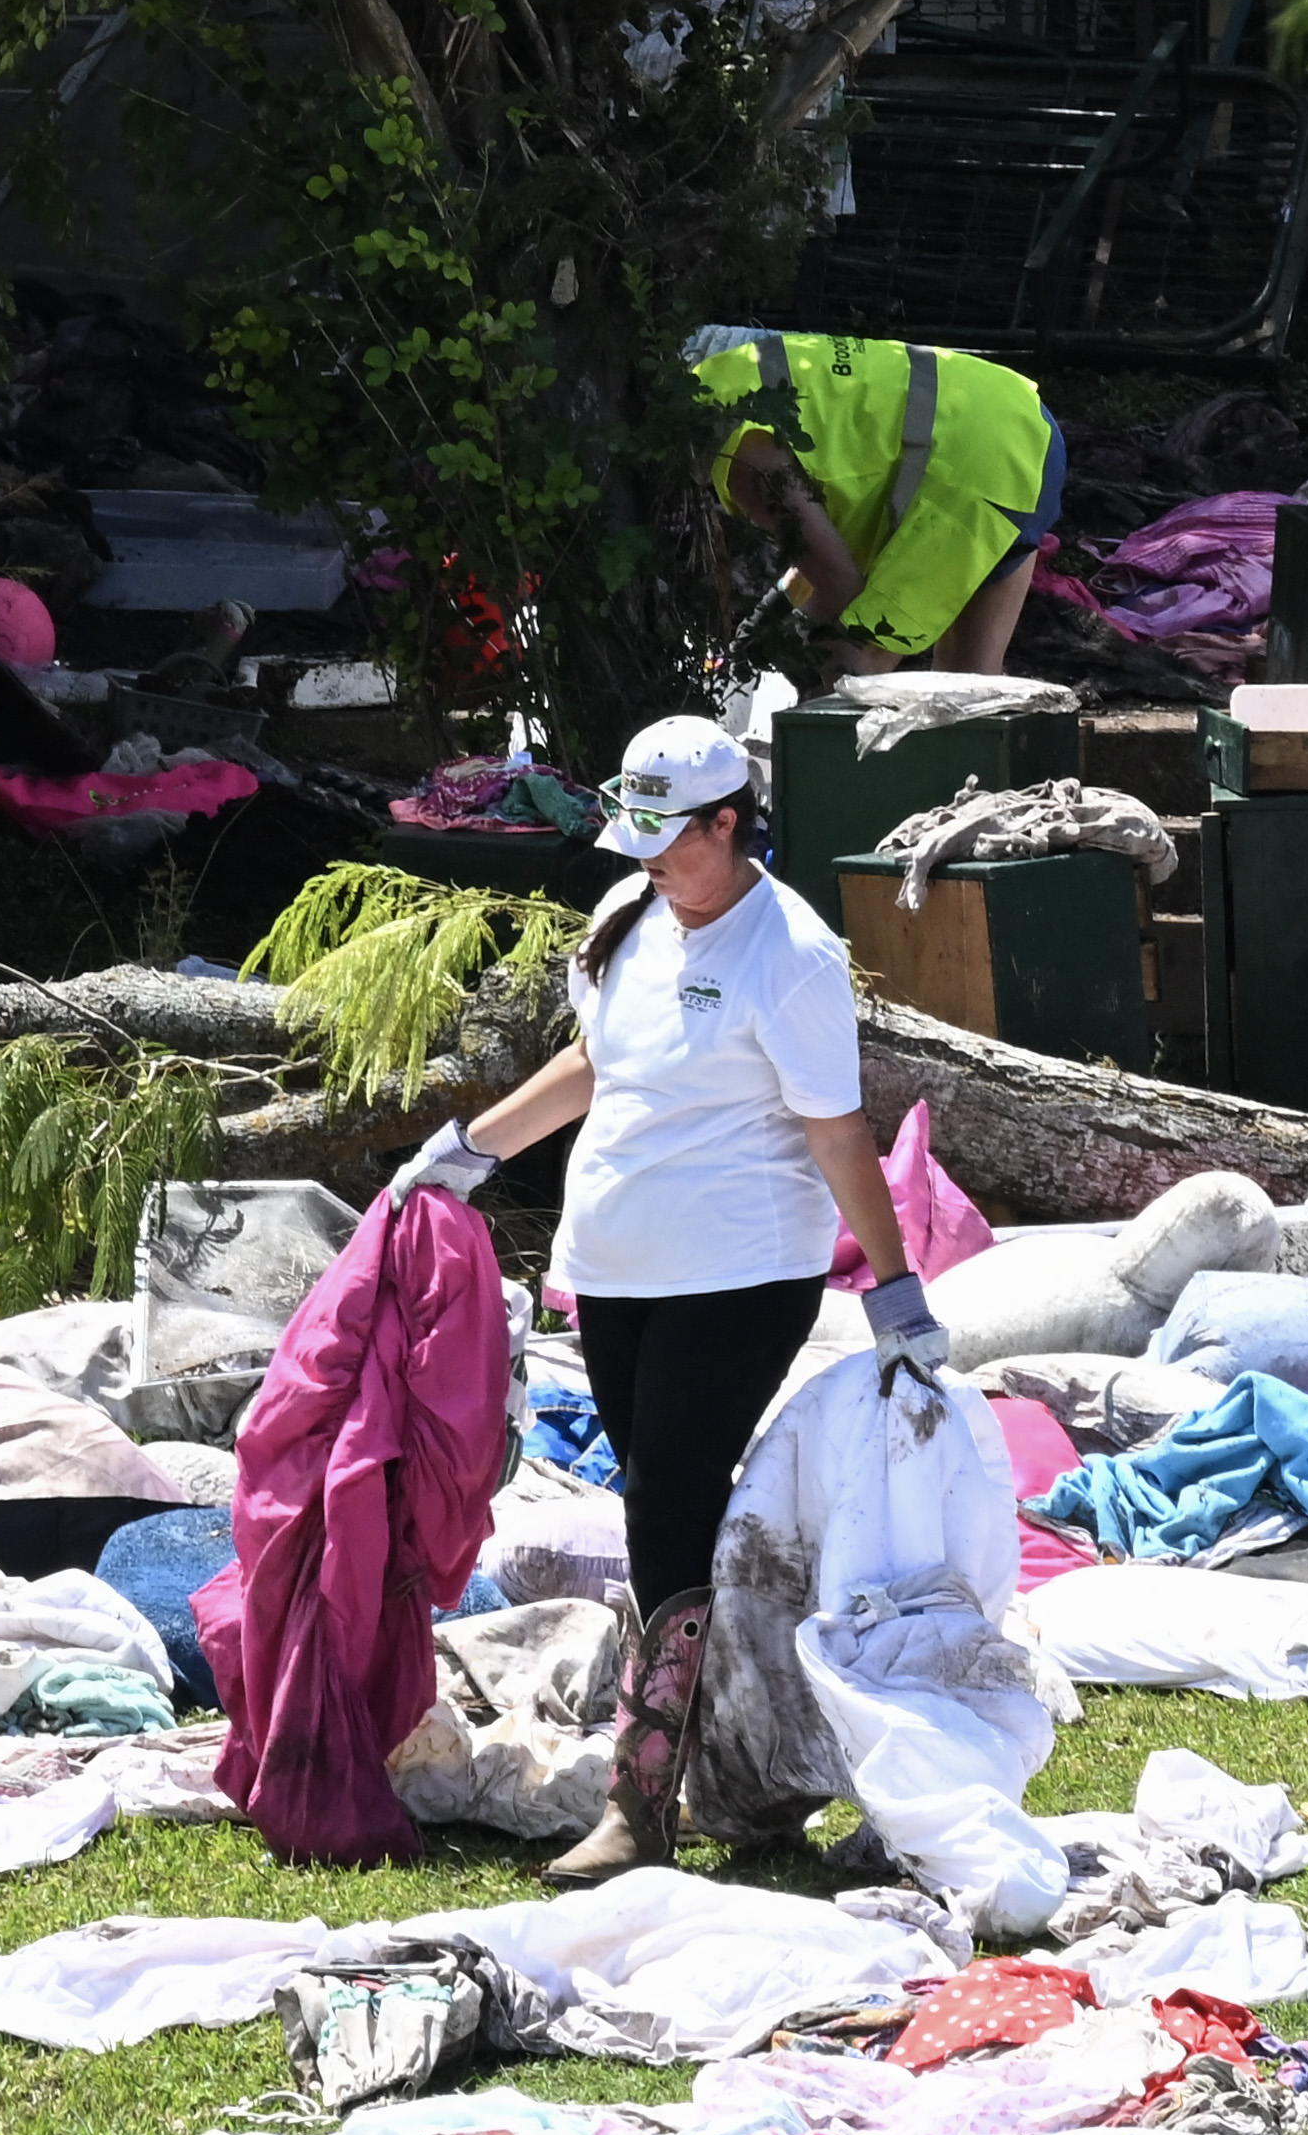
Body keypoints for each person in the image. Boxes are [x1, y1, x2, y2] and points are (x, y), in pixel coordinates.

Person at [390, 707, 939, 1882]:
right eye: (633, 836)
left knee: (668, 1509)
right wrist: (466, 1151)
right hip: (617, 1274)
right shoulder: (626, 917)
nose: (647, 858)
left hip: (738, 1275)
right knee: (663, 1522)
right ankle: (739, 1771)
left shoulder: (788, 957)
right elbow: (594, 1066)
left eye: (669, 838)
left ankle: (645, 1806)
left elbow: (837, 1131)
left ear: (731, 822)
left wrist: (893, 1286)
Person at [676, 320, 1063, 681]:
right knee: (967, 692)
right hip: (1021, 430)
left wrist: (769, 657)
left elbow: (837, 583)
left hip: (972, 468)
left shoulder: (735, 438)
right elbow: (815, 554)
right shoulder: (755, 368)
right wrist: (763, 622)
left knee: (853, 662)